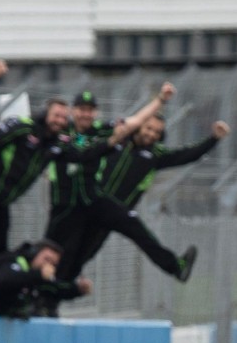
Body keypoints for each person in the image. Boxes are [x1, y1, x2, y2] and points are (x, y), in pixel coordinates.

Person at [41, 85, 199, 315]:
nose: (86, 114)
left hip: (93, 201)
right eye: (81, 109)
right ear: (73, 111)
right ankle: (44, 300)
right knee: (63, 256)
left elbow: (132, 123)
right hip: (64, 207)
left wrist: (160, 101)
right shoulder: (59, 132)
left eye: (90, 110)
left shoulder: (100, 131)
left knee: (133, 226)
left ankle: (175, 265)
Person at [58, 114, 230, 287]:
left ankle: (176, 267)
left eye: (157, 132)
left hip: (115, 214)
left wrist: (213, 139)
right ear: (139, 126)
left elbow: (186, 155)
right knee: (72, 253)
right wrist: (67, 137)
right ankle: (49, 292)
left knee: (135, 238)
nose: (152, 134)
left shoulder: (155, 155)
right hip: (89, 205)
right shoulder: (117, 140)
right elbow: (85, 141)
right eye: (149, 128)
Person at [0, 98, 72, 256]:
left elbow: (80, 148)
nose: (60, 121)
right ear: (45, 113)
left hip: (3, 202)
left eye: (64, 117)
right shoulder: (23, 127)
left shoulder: (56, 142)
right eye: (56, 115)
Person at [0, 238, 91, 318]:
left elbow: (54, 287)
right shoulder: (15, 261)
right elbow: (6, 280)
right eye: (46, 259)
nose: (48, 265)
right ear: (33, 253)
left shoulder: (33, 274)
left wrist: (77, 289)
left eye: (53, 264)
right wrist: (38, 275)